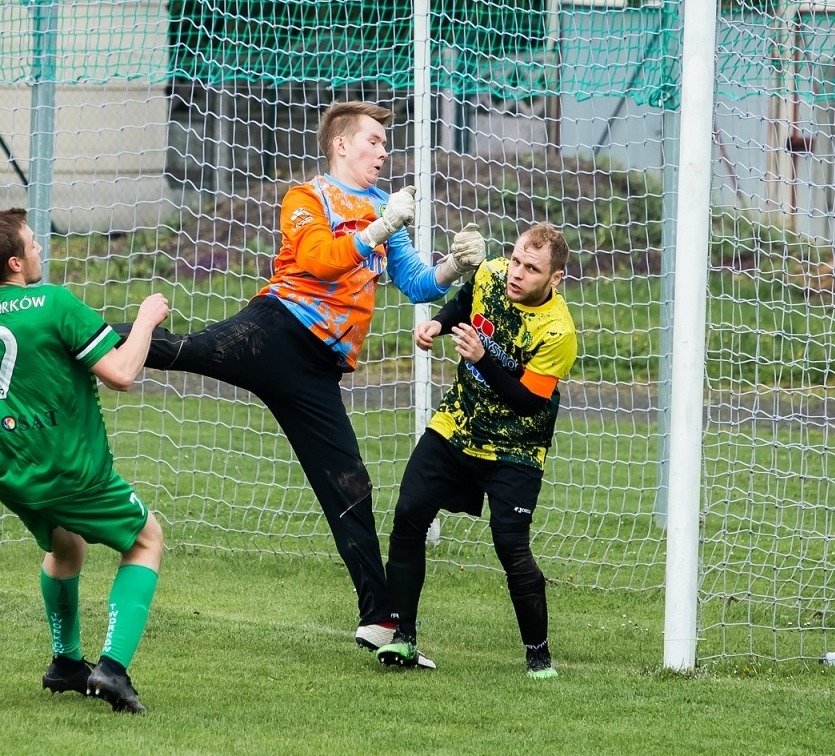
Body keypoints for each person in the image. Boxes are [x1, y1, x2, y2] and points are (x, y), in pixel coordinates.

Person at [117, 100, 484, 654]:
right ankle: (82, 337)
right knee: (181, 351)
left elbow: (418, 285)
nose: (384, 152)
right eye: (374, 141)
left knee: (349, 485)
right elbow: (318, 261)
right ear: (341, 145)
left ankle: (379, 620)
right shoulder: (306, 197)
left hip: (318, 369)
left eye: (386, 143)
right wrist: (382, 225)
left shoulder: (386, 206)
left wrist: (458, 266)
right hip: (276, 331)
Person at [0, 207, 168, 714]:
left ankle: (65, 664)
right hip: (71, 469)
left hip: (12, 473)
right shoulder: (55, 303)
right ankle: (113, 669)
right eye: (33, 245)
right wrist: (145, 320)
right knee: (147, 540)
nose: (40, 250)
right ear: (15, 263)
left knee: (66, 549)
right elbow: (120, 374)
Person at [377, 223, 577, 678]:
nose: (517, 273)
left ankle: (539, 657)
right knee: (409, 512)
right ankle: (403, 637)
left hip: (517, 447)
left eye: (532, 268)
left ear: (554, 278)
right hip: (459, 424)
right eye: (516, 260)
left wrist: (482, 358)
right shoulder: (489, 274)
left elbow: (528, 402)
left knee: (510, 546)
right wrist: (437, 323)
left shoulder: (558, 331)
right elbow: (464, 305)